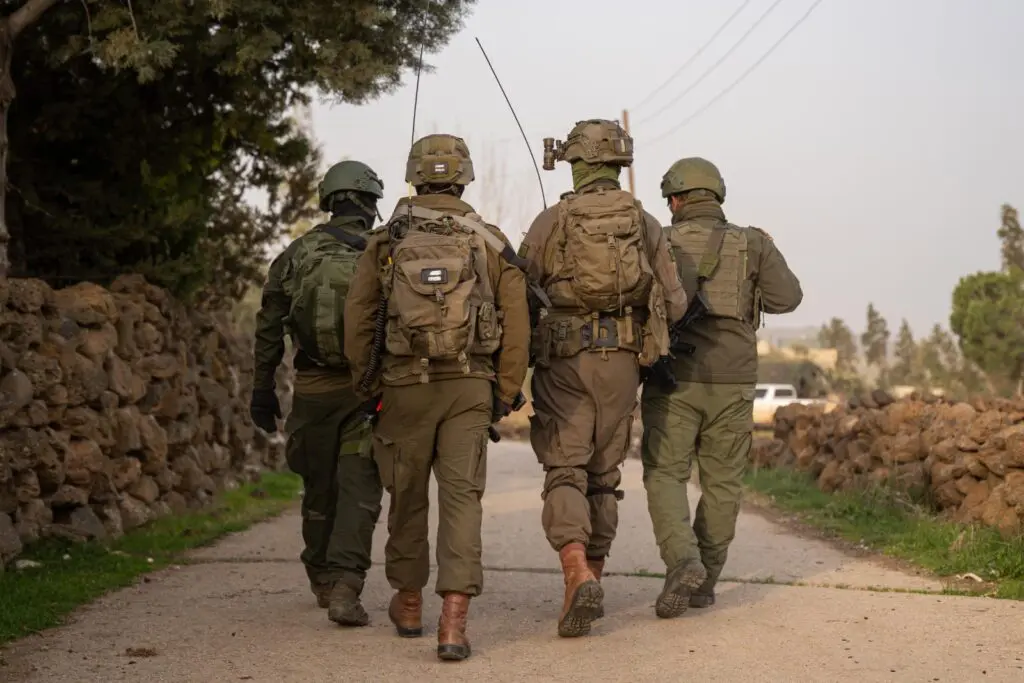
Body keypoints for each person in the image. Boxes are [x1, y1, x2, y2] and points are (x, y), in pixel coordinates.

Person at [344, 133, 530, 662]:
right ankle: (454, 622)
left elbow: (357, 320)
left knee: (405, 496)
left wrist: (368, 386)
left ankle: (407, 603)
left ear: (413, 175)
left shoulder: (385, 241)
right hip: (470, 386)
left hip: (403, 386)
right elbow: (517, 321)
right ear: (465, 177)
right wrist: (507, 389)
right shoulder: (490, 241)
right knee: (462, 499)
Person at [516, 118, 686, 638]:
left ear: (575, 162)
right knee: (604, 476)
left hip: (564, 364)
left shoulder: (554, 219)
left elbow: (519, 295)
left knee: (565, 468)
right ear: (618, 162)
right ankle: (593, 578)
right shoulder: (643, 221)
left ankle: (575, 573)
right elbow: (675, 301)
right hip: (622, 362)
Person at [640, 157, 803, 618]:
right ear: (717, 195)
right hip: (733, 380)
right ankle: (705, 580)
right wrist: (769, 249)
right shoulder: (751, 243)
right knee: (723, 483)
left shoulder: (661, 241)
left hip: (673, 379)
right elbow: (787, 299)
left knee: (665, 473)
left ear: (675, 199)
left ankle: (682, 561)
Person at [249, 160, 385, 627]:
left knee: (319, 487)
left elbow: (269, 328)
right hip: (371, 391)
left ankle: (323, 577)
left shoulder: (296, 253)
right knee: (360, 488)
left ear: (328, 201)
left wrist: (262, 391)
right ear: (370, 203)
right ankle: (348, 584)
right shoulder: (386, 252)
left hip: (313, 390)